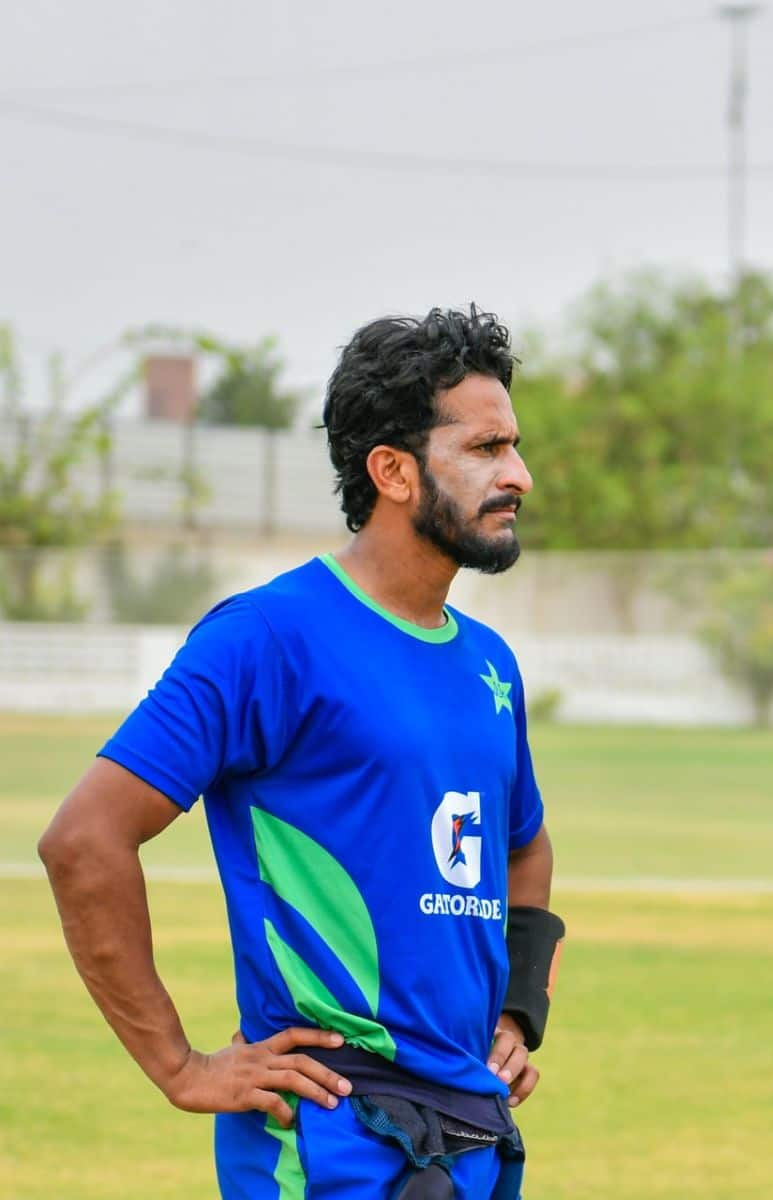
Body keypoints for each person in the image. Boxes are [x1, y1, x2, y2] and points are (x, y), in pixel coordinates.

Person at [39, 306, 564, 1198]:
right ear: (392, 471)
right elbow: (84, 840)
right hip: (328, 1142)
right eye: (483, 449)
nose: (516, 473)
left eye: (513, 445)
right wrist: (180, 1065)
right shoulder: (267, 638)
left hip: (474, 1136)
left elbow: (524, 845)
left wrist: (520, 1007)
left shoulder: (490, 664)